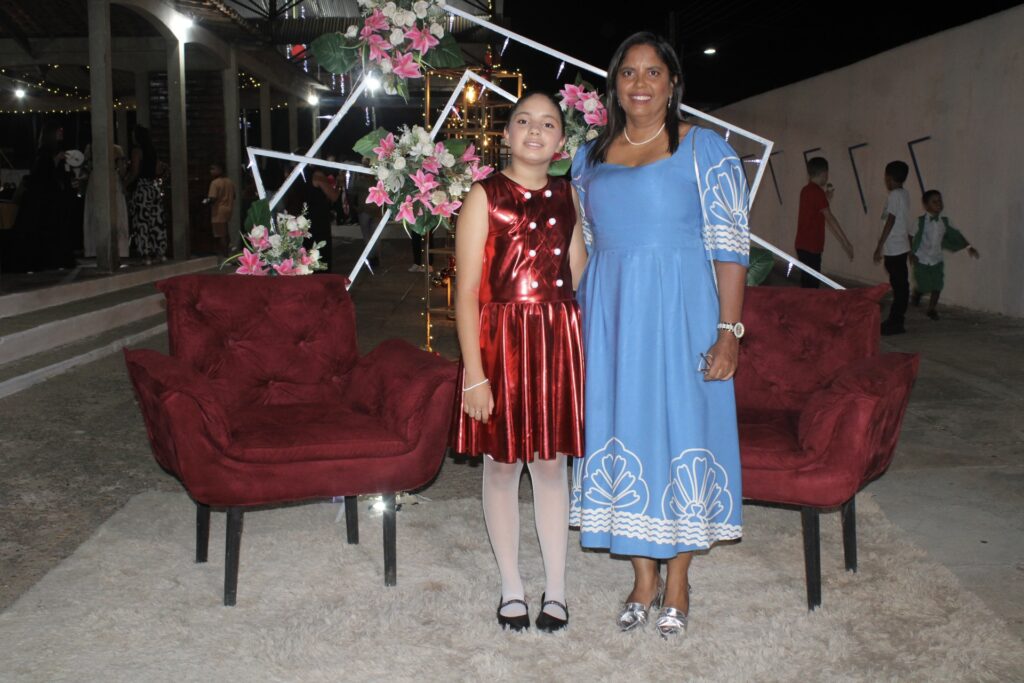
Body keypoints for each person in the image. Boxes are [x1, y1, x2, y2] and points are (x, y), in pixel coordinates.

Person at [569, 32, 748, 639]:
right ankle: (643, 577)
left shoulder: (705, 150)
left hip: (681, 312)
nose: (640, 83)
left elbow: (730, 248)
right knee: (621, 429)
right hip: (611, 315)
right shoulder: (587, 158)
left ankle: (678, 579)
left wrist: (729, 332)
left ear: (673, 83)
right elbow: (581, 246)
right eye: (628, 72)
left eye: (653, 72)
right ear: (613, 85)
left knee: (681, 430)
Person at [451, 91, 587, 633]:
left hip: (556, 342)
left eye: (548, 123)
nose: (535, 130)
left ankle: (557, 589)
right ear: (506, 135)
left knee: (552, 465)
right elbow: (466, 293)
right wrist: (474, 376)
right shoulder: (483, 196)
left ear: (561, 141)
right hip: (500, 345)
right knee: (503, 466)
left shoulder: (570, 196)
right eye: (524, 121)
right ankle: (512, 585)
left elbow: (579, 274)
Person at [910, 190, 980, 320]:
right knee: (924, 285)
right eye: (934, 202)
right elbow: (910, 236)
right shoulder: (920, 221)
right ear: (926, 205)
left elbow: (956, 235)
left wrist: (969, 247)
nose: (938, 204)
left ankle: (931, 309)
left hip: (937, 259)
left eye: (940, 201)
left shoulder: (944, 222)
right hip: (921, 259)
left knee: (938, 285)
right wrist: (911, 252)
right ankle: (918, 292)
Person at [794, 157, 853, 287]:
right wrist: (846, 242)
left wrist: (826, 198)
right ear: (824, 173)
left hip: (801, 244)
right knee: (813, 284)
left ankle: (805, 300)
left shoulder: (805, 190)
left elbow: (814, 208)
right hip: (812, 246)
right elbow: (830, 218)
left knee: (806, 282)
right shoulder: (818, 192)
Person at [873, 161, 914, 335]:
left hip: (895, 247)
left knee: (899, 286)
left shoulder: (895, 195)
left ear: (888, 178)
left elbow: (891, 220)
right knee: (899, 284)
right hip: (899, 247)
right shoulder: (904, 194)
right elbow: (906, 221)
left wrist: (879, 245)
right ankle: (896, 319)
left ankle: (896, 321)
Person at [125, 125, 167, 264]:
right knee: (156, 221)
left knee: (142, 222)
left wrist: (124, 183)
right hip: (153, 188)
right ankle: (160, 252)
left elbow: (135, 171)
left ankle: (146, 254)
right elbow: (158, 170)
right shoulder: (152, 151)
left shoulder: (137, 151)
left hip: (142, 190)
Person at [82, 143, 131, 261]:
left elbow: (85, 168)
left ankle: (94, 248)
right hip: (111, 178)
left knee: (95, 213)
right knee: (116, 212)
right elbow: (122, 169)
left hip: (97, 179)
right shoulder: (116, 149)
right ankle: (119, 248)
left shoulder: (91, 148)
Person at [203, 162, 236, 258]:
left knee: (221, 235)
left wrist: (206, 201)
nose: (211, 171)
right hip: (228, 209)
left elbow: (213, 198)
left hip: (218, 211)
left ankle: (226, 256)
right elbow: (234, 196)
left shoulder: (215, 183)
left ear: (220, 170)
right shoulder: (230, 182)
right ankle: (230, 251)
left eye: (213, 169)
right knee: (226, 232)